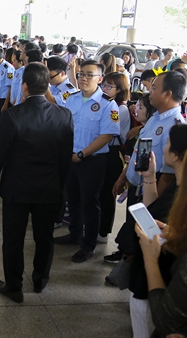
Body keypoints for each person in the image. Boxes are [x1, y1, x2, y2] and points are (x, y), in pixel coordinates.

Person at [0, 63, 73, 302]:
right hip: (49, 189)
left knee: (13, 239)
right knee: (44, 238)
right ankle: (41, 281)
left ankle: (14, 286)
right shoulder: (64, 115)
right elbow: (65, 159)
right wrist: (60, 189)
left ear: (24, 87)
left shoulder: (12, 116)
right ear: (47, 86)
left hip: (17, 190)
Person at [123, 123, 187, 337]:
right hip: (151, 277)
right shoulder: (178, 186)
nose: (163, 148)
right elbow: (153, 210)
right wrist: (149, 176)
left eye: (168, 143)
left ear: (177, 153)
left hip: (160, 283)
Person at [110, 71, 187, 261]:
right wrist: (123, 177)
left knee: (140, 239)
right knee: (131, 234)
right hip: (138, 185)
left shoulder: (175, 126)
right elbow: (139, 150)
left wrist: (151, 208)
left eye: (154, 88)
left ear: (168, 94)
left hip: (153, 189)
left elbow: (168, 175)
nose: (149, 91)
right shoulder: (155, 118)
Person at [54, 60, 120, 263]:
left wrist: (82, 154)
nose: (83, 78)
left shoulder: (108, 103)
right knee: (72, 198)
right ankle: (74, 234)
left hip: (92, 160)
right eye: (81, 74)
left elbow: (107, 136)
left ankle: (88, 244)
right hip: (70, 158)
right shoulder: (70, 98)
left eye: (89, 75)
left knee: (90, 203)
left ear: (100, 79)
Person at [98, 72, 131, 243]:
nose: (104, 88)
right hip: (101, 152)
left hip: (112, 154)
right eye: (103, 84)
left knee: (106, 194)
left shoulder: (121, 108)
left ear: (119, 89)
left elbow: (107, 131)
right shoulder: (105, 103)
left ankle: (103, 231)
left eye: (109, 86)